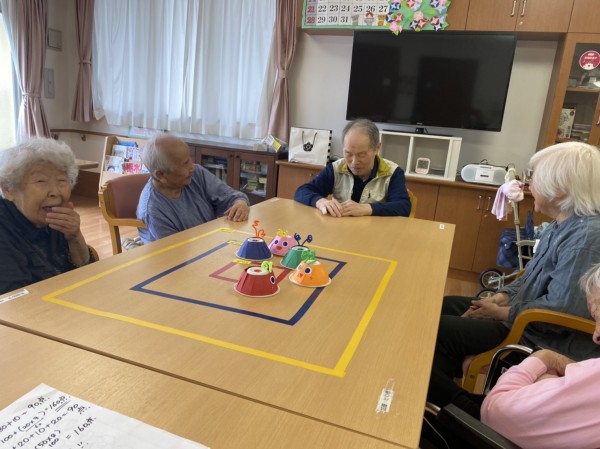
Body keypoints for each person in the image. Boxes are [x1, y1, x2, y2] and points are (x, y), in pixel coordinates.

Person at [427, 141, 600, 418]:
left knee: (434, 331)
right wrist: (501, 296)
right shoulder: (562, 224)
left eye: (534, 178)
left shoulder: (585, 238)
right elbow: (529, 276)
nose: (528, 185)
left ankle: (464, 411)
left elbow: (561, 309)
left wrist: (500, 312)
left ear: (559, 190)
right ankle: (443, 390)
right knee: (446, 306)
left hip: (541, 334)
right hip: (524, 316)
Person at [480, 263, 600, 449]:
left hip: (534, 332)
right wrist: (502, 295)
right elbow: (527, 276)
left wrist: (544, 358)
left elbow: (493, 412)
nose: (596, 336)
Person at [0, 138, 94, 295]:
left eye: (61, 180)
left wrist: (75, 236)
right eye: (41, 181)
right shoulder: (4, 231)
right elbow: (15, 298)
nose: (55, 192)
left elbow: (89, 274)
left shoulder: (52, 218)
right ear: (8, 189)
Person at [136, 134, 250, 243]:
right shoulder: (153, 211)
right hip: (180, 253)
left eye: (189, 159)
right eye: (185, 164)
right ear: (161, 175)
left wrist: (240, 203)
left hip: (208, 241)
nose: (192, 168)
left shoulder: (196, 174)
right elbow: (176, 250)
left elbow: (232, 197)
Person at [293, 118, 411, 217]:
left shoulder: (392, 172)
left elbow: (403, 206)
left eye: (362, 155)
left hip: (376, 233)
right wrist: (320, 201)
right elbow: (302, 191)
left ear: (377, 148)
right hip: (341, 229)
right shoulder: (336, 168)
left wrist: (367, 208)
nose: (354, 162)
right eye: (348, 153)